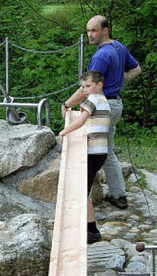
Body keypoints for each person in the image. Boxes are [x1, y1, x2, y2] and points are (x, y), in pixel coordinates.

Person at [61, 15, 141, 210]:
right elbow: (136, 69)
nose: (90, 35)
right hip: (113, 105)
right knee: (107, 150)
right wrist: (117, 83)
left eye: (94, 30)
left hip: (101, 108)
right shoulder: (118, 47)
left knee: (88, 152)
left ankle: (82, 198)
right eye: (88, 30)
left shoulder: (101, 55)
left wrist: (67, 104)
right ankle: (119, 195)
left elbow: (85, 88)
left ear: (105, 30)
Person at [60, 71, 111, 244]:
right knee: (84, 190)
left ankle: (92, 230)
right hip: (101, 152)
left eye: (88, 86)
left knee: (82, 192)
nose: (85, 90)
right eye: (83, 87)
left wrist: (64, 131)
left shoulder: (93, 100)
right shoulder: (106, 102)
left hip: (92, 153)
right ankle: (88, 227)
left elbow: (81, 120)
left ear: (99, 85)